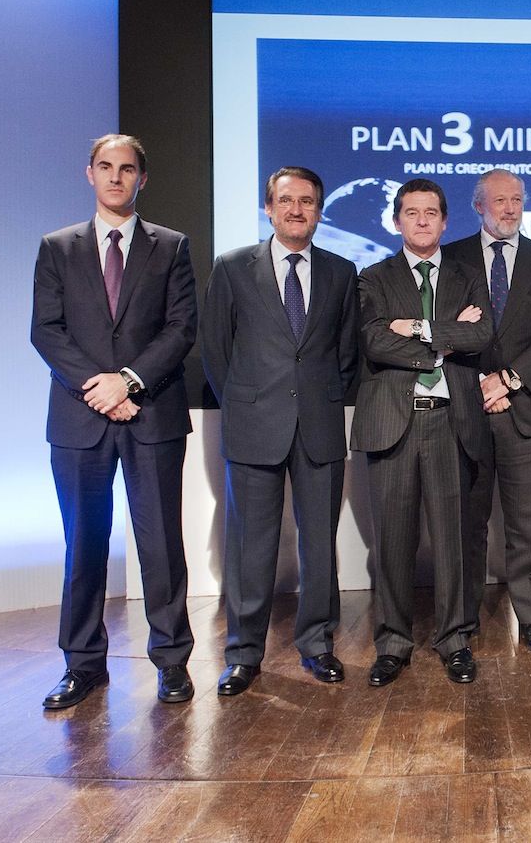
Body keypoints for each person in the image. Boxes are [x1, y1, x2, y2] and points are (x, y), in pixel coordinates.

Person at [31, 133, 197, 709]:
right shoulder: (58, 247)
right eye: (106, 166)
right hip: (80, 418)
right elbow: (46, 330)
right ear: (90, 173)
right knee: (84, 542)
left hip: (151, 414)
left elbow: (181, 327)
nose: (116, 177)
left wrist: (128, 381)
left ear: (141, 178)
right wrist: (100, 389)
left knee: (161, 544)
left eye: (127, 169)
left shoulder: (171, 246)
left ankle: (172, 662)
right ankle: (82, 665)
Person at [201, 166, 359, 696]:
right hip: (253, 425)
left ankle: (317, 643)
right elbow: (216, 351)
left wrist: (320, 397)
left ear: (319, 211)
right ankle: (244, 653)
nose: (296, 210)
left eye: (307, 201)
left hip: (318, 425)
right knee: (250, 546)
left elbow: (346, 353)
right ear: (268, 208)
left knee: (319, 544)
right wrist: (246, 403)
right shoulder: (232, 268)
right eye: (286, 201)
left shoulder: (341, 272)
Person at [351, 178, 493, 686]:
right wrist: (443, 343)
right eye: (411, 212)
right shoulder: (373, 277)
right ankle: (393, 643)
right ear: (396, 221)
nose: (422, 220)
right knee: (393, 542)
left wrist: (415, 327)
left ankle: (454, 640)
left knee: (453, 541)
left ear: (445, 221)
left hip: (450, 423)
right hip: (395, 422)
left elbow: (481, 334)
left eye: (431, 212)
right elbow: (373, 341)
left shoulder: (467, 276)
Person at [443, 169, 531, 652]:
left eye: (516, 199)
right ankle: (463, 615)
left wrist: (509, 380)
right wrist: (478, 383)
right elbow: (442, 325)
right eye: (499, 200)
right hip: (467, 409)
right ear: (479, 206)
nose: (510, 209)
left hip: (524, 410)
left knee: (527, 523)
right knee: (466, 522)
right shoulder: (450, 258)